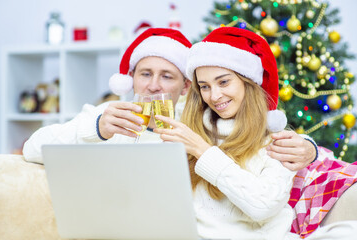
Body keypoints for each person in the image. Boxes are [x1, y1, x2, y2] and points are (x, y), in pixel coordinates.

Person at [152, 27, 357, 239]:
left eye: (223, 82)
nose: (214, 96)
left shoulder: (277, 141)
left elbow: (262, 206)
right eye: (204, 86)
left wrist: (202, 151)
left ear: (247, 82)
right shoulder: (189, 130)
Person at [22, 27, 317, 168]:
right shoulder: (110, 114)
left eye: (167, 76)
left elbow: (259, 137)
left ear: (187, 87)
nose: (152, 85)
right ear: (131, 78)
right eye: (145, 74)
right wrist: (96, 128)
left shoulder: (203, 118)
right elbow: (32, 148)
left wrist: (310, 149)